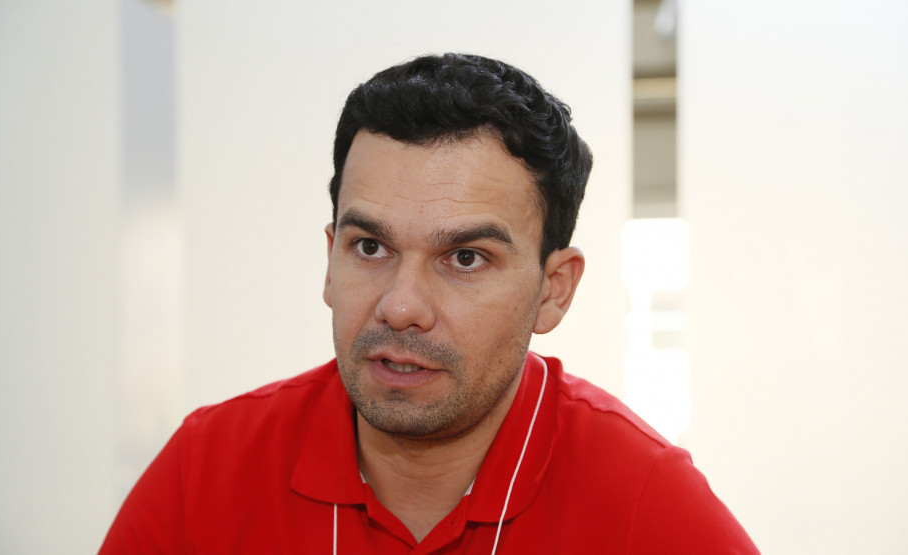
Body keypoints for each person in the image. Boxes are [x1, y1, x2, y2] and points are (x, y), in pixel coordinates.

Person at [100, 53, 758, 554]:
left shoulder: (644, 500)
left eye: (464, 257)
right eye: (370, 247)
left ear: (552, 290)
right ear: (329, 259)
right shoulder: (207, 470)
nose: (401, 306)